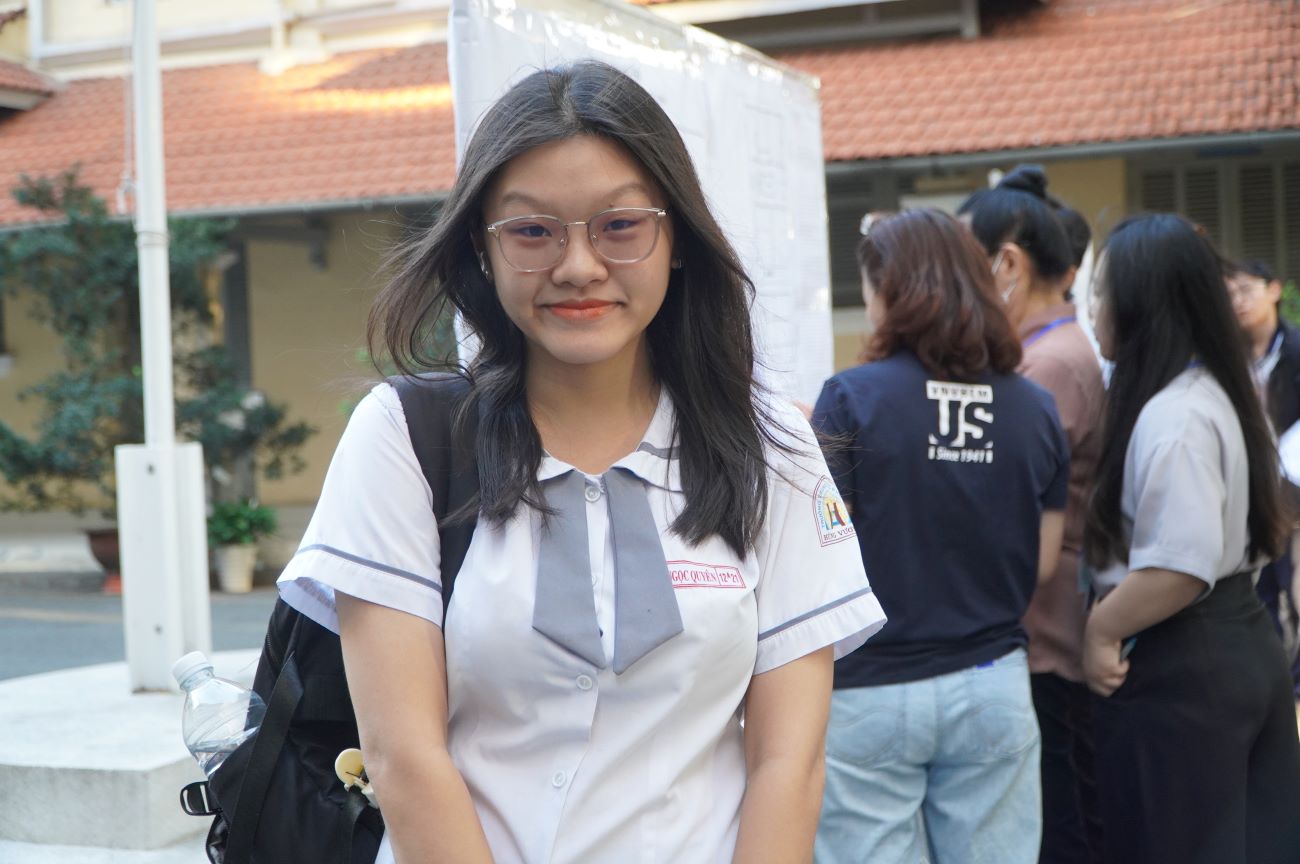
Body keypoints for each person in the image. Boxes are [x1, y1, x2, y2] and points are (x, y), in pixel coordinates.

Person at [274, 61, 886, 864]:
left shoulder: (768, 443)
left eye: (620, 225)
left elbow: (787, 761)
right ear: (482, 253)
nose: (578, 266)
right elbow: (402, 756)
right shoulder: (404, 439)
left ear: (677, 241)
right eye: (532, 231)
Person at [812, 208, 1069, 864]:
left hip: (870, 689)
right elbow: (1042, 563)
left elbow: (818, 556)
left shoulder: (850, 399)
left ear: (891, 292)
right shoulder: (1035, 407)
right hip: (993, 683)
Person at [1083, 214, 1300, 864]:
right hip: (1240, 644)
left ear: (1140, 303)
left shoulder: (1174, 415)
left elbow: (1179, 568)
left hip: (1185, 660)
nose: (1092, 311)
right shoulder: (1220, 393)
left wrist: (1100, 629)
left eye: (1101, 292)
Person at [960, 165, 1106, 864]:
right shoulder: (1058, 352)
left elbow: (1001, 507)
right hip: (1054, 616)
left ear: (1008, 264)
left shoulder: (1046, 367)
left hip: (1048, 629)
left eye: (965, 270)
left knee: (1059, 818)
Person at [1229, 258, 1300, 688]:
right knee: (1262, 583)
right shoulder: (1228, 354)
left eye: (1247, 290)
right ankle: (1273, 672)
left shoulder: (1294, 349)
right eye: (1230, 293)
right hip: (1251, 483)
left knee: (1296, 579)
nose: (1238, 302)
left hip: (1295, 481)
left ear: (1274, 289)